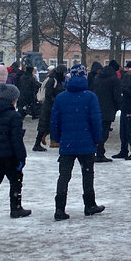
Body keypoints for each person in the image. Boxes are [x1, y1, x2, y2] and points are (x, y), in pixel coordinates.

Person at [50, 64, 105, 220]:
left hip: (67, 143)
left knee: (64, 176)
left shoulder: (61, 97)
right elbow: (95, 121)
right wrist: (97, 139)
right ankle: (89, 205)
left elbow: (54, 121)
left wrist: (58, 138)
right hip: (87, 143)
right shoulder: (90, 97)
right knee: (87, 174)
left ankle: (59, 208)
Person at [0, 83, 31, 220]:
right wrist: (21, 157)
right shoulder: (14, 116)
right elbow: (16, 140)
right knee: (16, 181)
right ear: (13, 99)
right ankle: (16, 208)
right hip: (9, 155)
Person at [91, 60, 121, 162]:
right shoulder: (114, 80)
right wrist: (118, 107)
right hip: (108, 109)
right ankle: (100, 153)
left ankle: (95, 152)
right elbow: (116, 96)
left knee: (97, 131)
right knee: (104, 133)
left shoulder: (98, 77)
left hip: (96, 108)